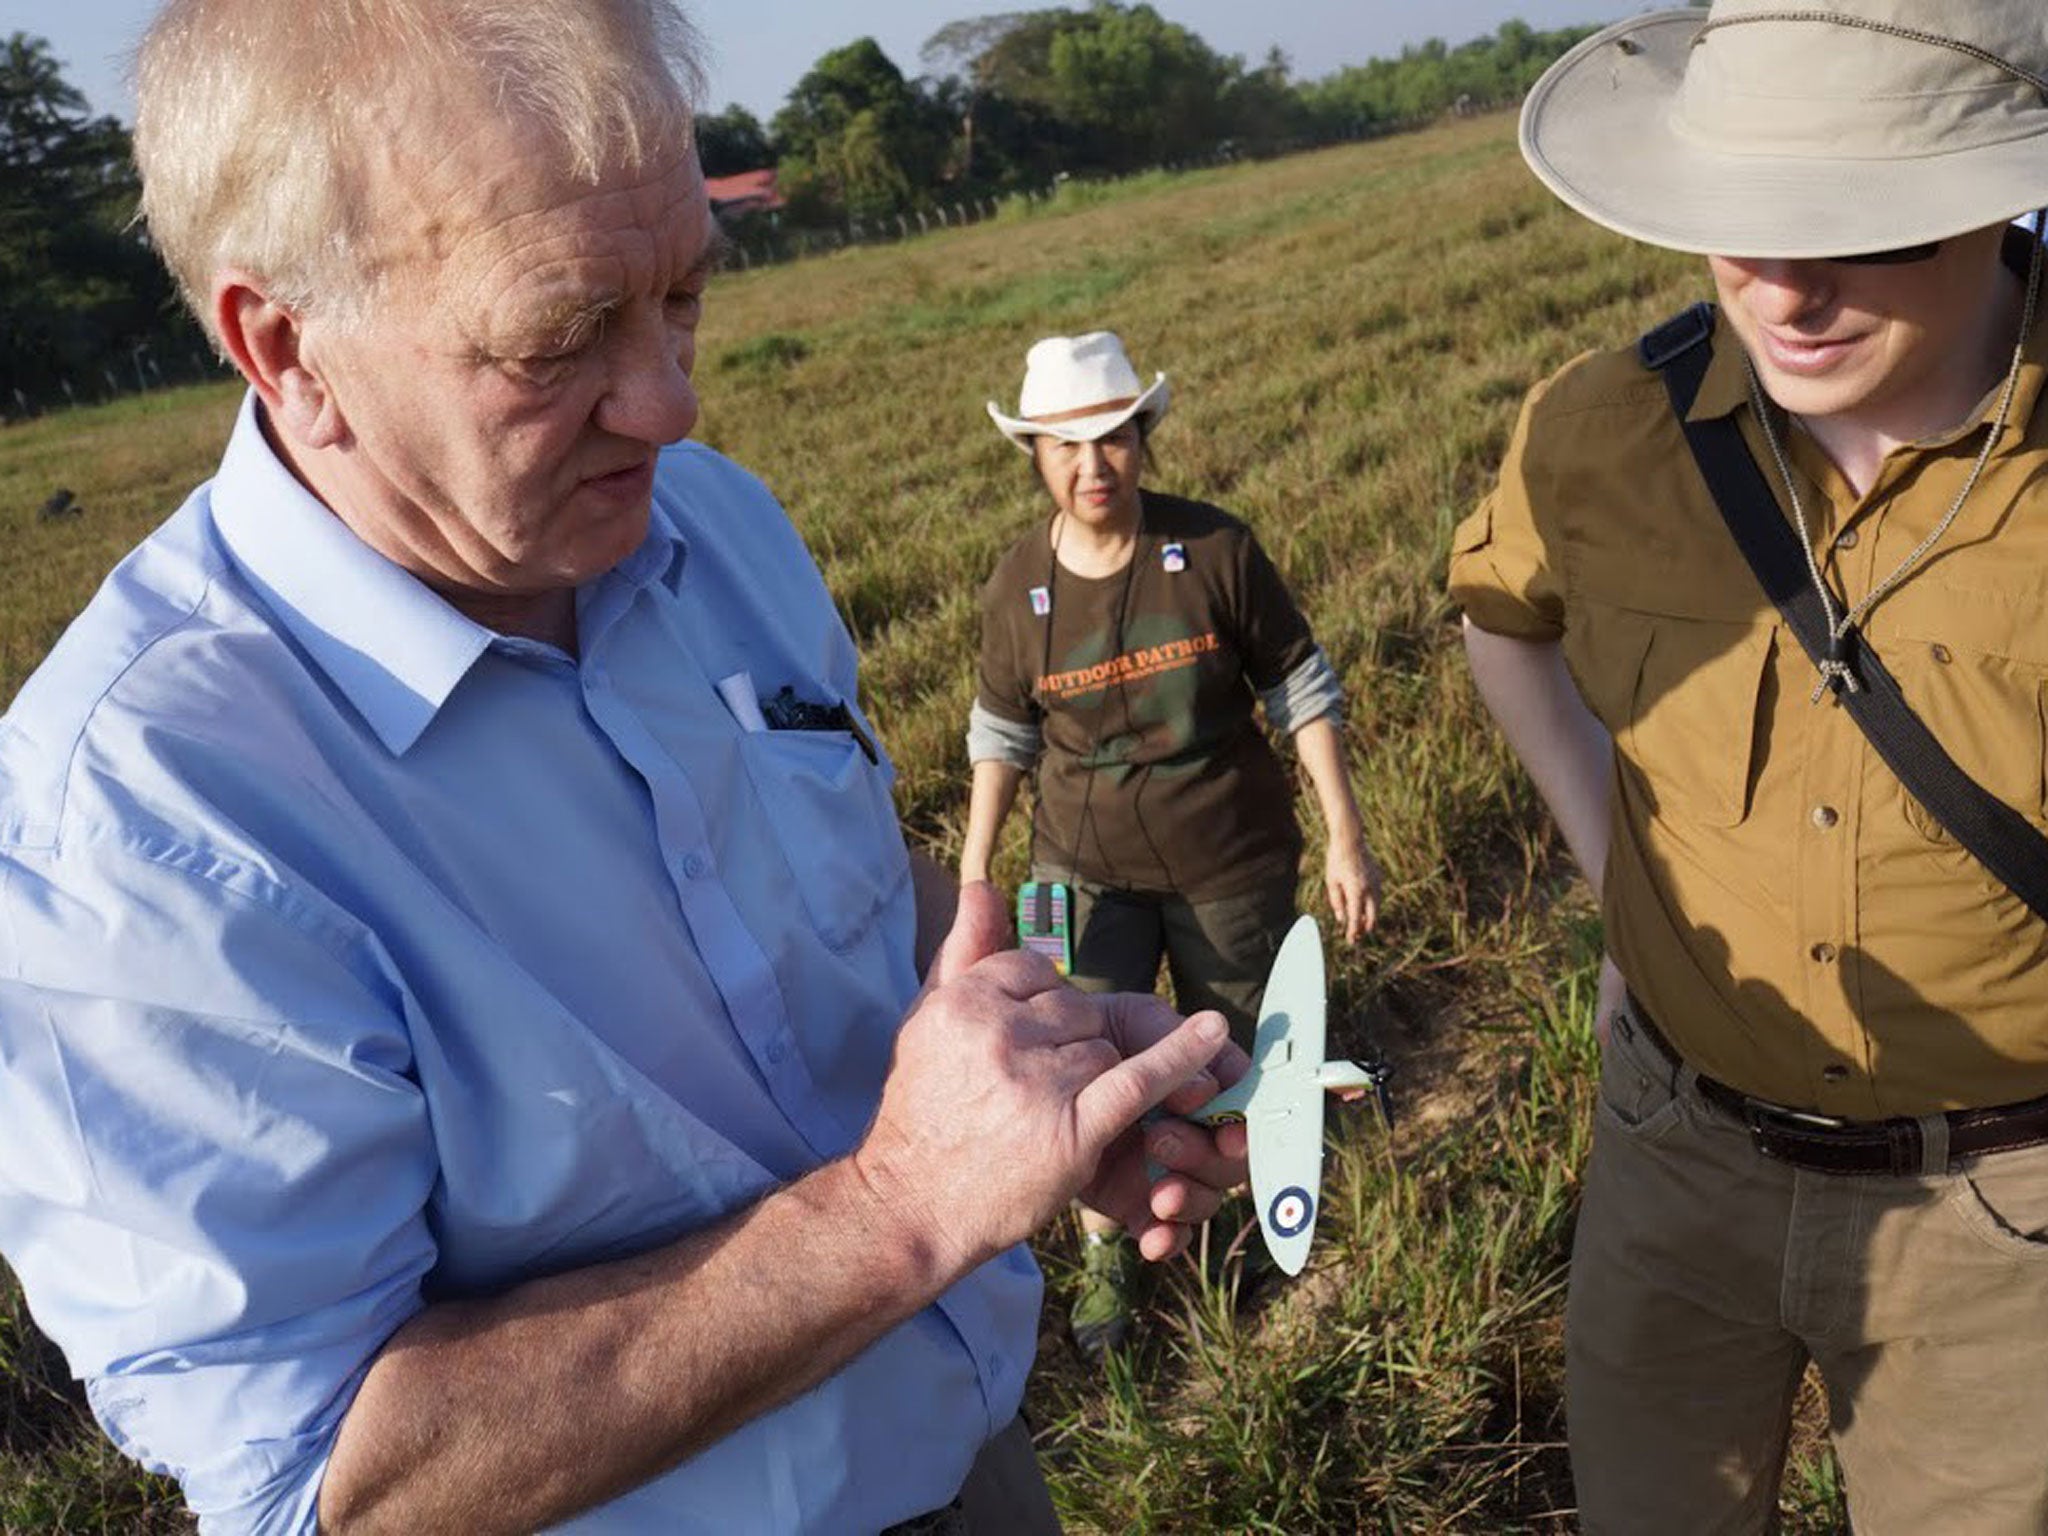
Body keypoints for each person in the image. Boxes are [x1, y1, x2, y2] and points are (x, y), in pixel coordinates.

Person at [0, 3, 1254, 1532]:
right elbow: (335, 1479)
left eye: (682, 299)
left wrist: (1039, 1059)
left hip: (971, 1464)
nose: (669, 400)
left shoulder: (707, 525)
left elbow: (854, 881)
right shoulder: (137, 824)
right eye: (557, 334)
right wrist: (901, 1212)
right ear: (285, 350)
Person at [1449, 2, 2048, 1530]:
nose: (1785, 285)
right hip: (1674, 1158)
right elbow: (1499, 619)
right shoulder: (1597, 432)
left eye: (1859, 222)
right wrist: (1615, 873)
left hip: (2007, 1221)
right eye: (1741, 218)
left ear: (1998, 191)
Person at [962, 332, 1380, 1356]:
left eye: (1110, 440)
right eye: (1062, 448)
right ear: (1033, 457)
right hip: (1077, 871)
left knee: (1246, 1057)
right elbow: (1002, 737)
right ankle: (1111, 1247)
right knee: (1076, 1064)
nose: (1089, 467)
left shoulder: (1217, 553)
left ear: (1142, 438)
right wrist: (976, 876)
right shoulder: (1018, 585)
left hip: (1227, 865)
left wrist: (1344, 834)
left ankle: (1231, 1219)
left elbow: (1299, 690)